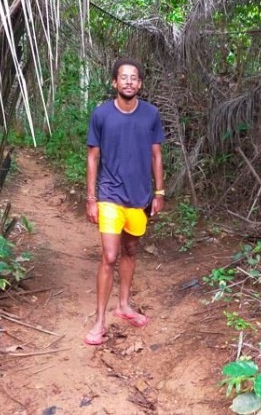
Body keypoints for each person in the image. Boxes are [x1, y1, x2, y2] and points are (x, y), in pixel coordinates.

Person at [84, 58, 165, 345]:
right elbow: (93, 157)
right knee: (109, 256)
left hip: (139, 196)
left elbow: (156, 155)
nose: (129, 82)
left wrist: (159, 193)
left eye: (134, 78)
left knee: (131, 250)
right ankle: (99, 322)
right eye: (123, 77)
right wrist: (91, 198)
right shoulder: (102, 115)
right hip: (109, 195)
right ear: (114, 83)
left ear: (140, 84)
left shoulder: (151, 115)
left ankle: (124, 305)